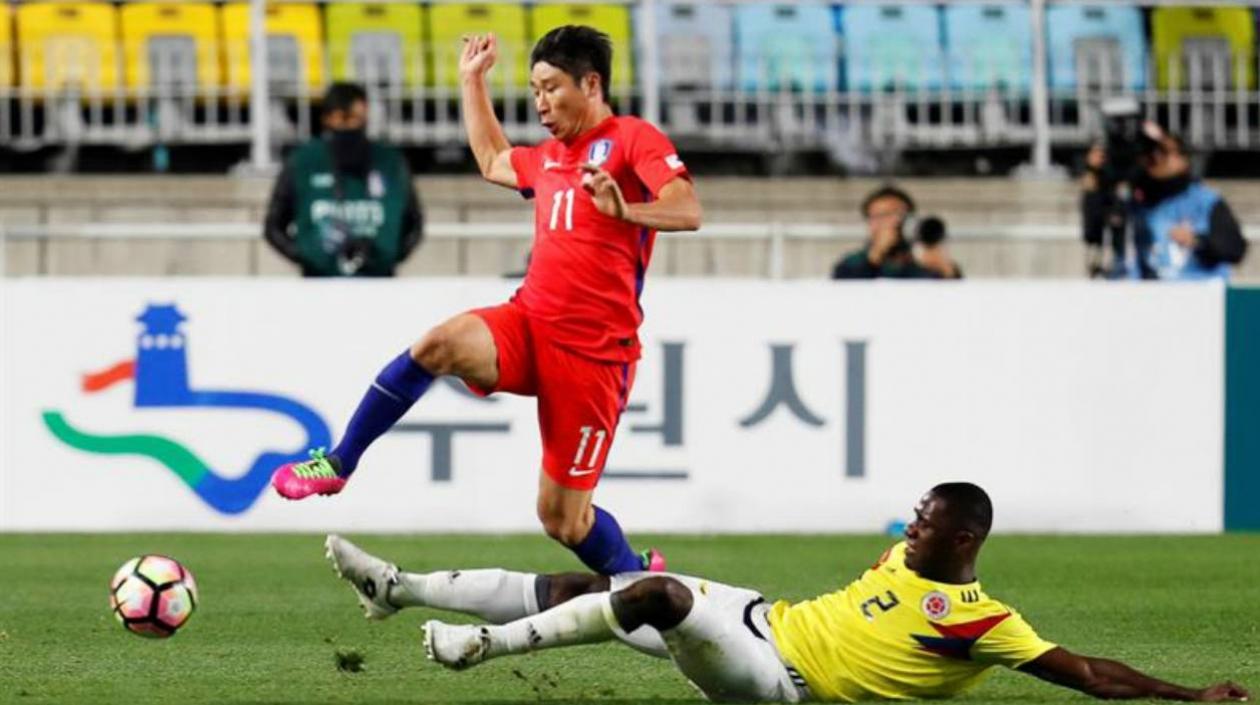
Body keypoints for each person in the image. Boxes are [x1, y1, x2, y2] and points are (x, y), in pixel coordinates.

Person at [271, 27, 702, 575]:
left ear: (591, 83)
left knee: (563, 521)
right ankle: (338, 461)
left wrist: (625, 212)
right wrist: (471, 81)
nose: (541, 103)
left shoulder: (633, 137)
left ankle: (636, 573)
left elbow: (687, 208)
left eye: (551, 88)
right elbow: (495, 160)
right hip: (528, 323)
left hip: (594, 358)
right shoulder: (549, 157)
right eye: (533, 90)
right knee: (437, 345)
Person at [321, 483, 1250, 703]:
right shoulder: (903, 563)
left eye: (923, 517)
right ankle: (393, 589)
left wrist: (1187, 694)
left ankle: (480, 647)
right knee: (589, 581)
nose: (908, 521)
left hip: (777, 680)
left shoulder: (978, 617)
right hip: (762, 612)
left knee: (649, 596)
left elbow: (1083, 669)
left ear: (963, 539)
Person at [263, 82, 424, 277]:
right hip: (318, 286)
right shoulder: (302, 162)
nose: (350, 126)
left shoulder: (390, 161)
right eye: (343, 118)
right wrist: (310, 257)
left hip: (379, 284)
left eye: (356, 118)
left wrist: (385, 257)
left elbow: (414, 224)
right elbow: (273, 226)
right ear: (328, 119)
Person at [1129, 123, 1246, 280]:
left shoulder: (1205, 201)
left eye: (1164, 152)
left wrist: (1198, 241)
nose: (1156, 158)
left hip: (1198, 294)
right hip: (1143, 296)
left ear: (1184, 160)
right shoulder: (1136, 202)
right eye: (1152, 152)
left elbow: (1235, 249)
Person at [832, 185, 941, 279]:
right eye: (882, 215)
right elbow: (845, 291)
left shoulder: (923, 260)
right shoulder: (852, 263)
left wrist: (945, 271)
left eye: (898, 214)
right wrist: (874, 257)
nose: (893, 222)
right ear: (870, 223)